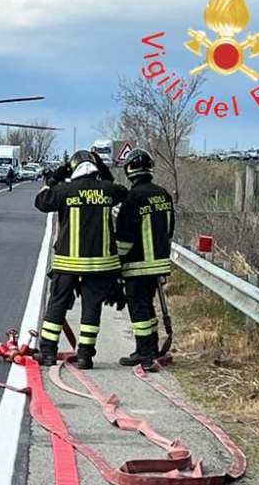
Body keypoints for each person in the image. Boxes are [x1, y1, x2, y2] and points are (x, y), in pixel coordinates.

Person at [34, 151, 128, 369]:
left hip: (68, 262)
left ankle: (48, 353)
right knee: (92, 307)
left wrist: (54, 179)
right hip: (100, 264)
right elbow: (121, 191)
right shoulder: (108, 190)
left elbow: (41, 201)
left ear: (73, 168)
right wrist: (104, 171)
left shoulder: (64, 191)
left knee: (57, 304)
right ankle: (85, 356)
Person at [115, 149, 175, 370]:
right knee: (148, 307)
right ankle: (152, 346)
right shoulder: (164, 195)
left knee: (138, 309)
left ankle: (144, 353)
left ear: (129, 170)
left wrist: (116, 261)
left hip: (137, 265)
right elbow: (170, 229)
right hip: (159, 263)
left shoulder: (133, 198)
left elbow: (125, 237)